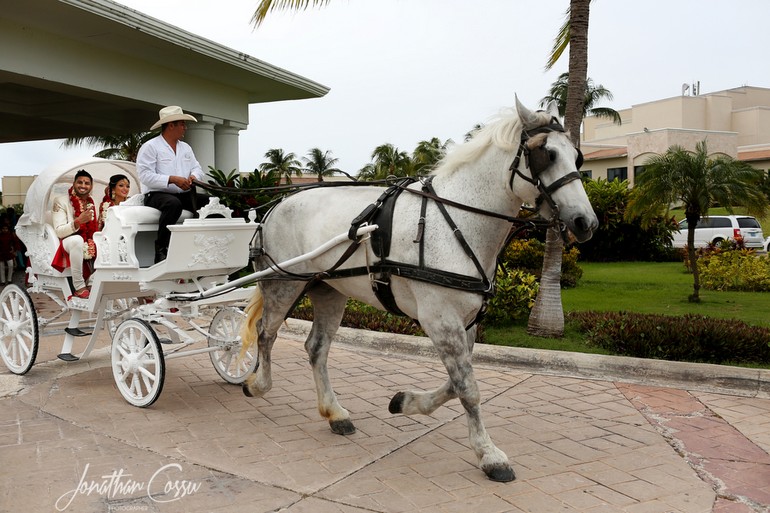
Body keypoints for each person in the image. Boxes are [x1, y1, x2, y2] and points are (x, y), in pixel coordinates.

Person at [136, 105, 205, 263]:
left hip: (183, 194)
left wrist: (193, 177)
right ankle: (161, 249)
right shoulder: (150, 147)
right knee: (172, 204)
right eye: (182, 124)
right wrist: (172, 179)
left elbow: (197, 168)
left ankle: (202, 248)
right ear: (171, 125)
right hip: (156, 195)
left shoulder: (186, 148)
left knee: (210, 203)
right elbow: (145, 176)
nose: (185, 128)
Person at [51, 170, 98, 299]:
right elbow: (59, 231)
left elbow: (93, 229)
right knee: (77, 240)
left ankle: (94, 281)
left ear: (91, 186)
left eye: (87, 183)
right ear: (74, 183)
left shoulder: (90, 202)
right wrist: (78, 222)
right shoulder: (61, 201)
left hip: (85, 240)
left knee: (102, 240)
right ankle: (79, 286)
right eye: (80, 182)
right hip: (67, 242)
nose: (83, 185)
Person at [0, 219, 17, 285]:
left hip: (9, 252)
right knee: (1, 268)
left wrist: (14, 250)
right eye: (3, 229)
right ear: (1, 229)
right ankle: (3, 281)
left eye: (6, 228)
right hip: (1, 253)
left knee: (11, 266)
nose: (5, 230)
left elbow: (15, 243)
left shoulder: (10, 235)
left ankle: (9, 280)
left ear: (8, 229)